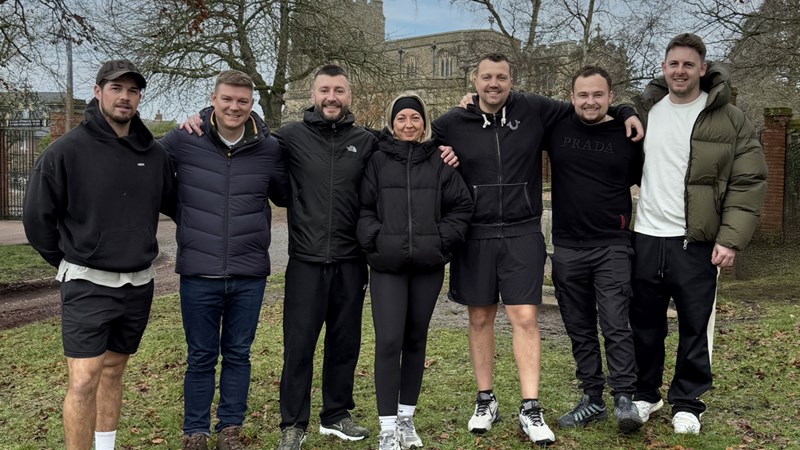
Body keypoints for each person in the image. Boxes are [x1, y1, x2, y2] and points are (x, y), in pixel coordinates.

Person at [182, 64, 457, 450]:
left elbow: (408, 139)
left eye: (339, 90)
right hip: (306, 260)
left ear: (349, 96)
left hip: (351, 261)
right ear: (313, 95)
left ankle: (336, 414)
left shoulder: (366, 141)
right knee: (299, 346)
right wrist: (202, 116)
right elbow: (246, 126)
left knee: (345, 343)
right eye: (325, 90)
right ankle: (293, 423)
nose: (331, 97)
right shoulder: (290, 137)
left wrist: (444, 147)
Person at [435, 53, 642, 445]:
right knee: (480, 318)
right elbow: (419, 147)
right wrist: (442, 155)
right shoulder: (451, 123)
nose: (494, 84)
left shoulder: (534, 109)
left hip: (523, 232)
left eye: (501, 77)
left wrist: (627, 110)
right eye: (486, 77)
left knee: (527, 318)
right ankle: (486, 400)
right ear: (474, 80)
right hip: (476, 234)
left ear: (512, 81)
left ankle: (533, 406)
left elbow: (589, 105)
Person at [22, 59, 175, 450]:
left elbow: (177, 204)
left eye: (132, 90)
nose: (125, 97)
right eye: (116, 88)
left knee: (113, 371)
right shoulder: (66, 151)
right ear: (98, 92)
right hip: (87, 283)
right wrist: (70, 260)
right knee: (83, 378)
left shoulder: (154, 154)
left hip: (138, 283)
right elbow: (37, 219)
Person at [629, 33, 767, 435]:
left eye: (688, 64)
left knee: (695, 325)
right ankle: (646, 393)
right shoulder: (646, 112)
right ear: (663, 68)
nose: (680, 71)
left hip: (697, 241)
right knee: (645, 325)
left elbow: (748, 180)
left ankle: (688, 402)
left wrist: (730, 238)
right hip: (646, 236)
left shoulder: (729, 118)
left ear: (703, 69)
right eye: (673, 64)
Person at [160, 70, 289, 450]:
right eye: (227, 99)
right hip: (198, 271)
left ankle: (230, 429)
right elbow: (148, 167)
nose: (234, 107)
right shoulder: (184, 138)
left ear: (252, 104)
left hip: (249, 272)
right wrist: (183, 214)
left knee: (238, 354)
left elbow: (284, 194)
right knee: (200, 356)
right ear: (213, 99)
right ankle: (195, 431)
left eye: (242, 101)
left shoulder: (269, 147)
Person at [357, 93, 473, 450]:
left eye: (415, 118)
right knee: (389, 341)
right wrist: (375, 240)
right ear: (392, 123)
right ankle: (387, 426)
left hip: (427, 265)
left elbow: (461, 205)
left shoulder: (440, 160)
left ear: (424, 122)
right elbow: (363, 207)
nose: (409, 124)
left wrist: (440, 241)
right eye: (401, 118)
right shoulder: (377, 160)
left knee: (415, 339)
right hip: (387, 266)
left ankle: (406, 419)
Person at [545, 66, 644, 433]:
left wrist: (628, 111)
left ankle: (625, 399)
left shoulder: (628, 135)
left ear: (610, 97)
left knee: (616, 322)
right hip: (567, 246)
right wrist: (471, 101)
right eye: (583, 95)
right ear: (572, 98)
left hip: (612, 245)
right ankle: (592, 399)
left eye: (598, 95)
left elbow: (646, 179)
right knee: (579, 327)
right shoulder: (556, 127)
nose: (590, 101)